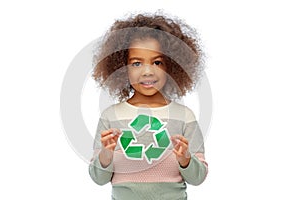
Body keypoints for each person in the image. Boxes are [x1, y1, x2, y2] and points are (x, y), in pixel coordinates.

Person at [89, 11, 208, 200]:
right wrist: (106, 154)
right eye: (136, 63)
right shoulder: (111, 116)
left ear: (171, 66)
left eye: (157, 62)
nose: (147, 72)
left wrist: (186, 159)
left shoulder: (184, 116)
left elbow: (198, 177)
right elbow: (98, 178)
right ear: (121, 67)